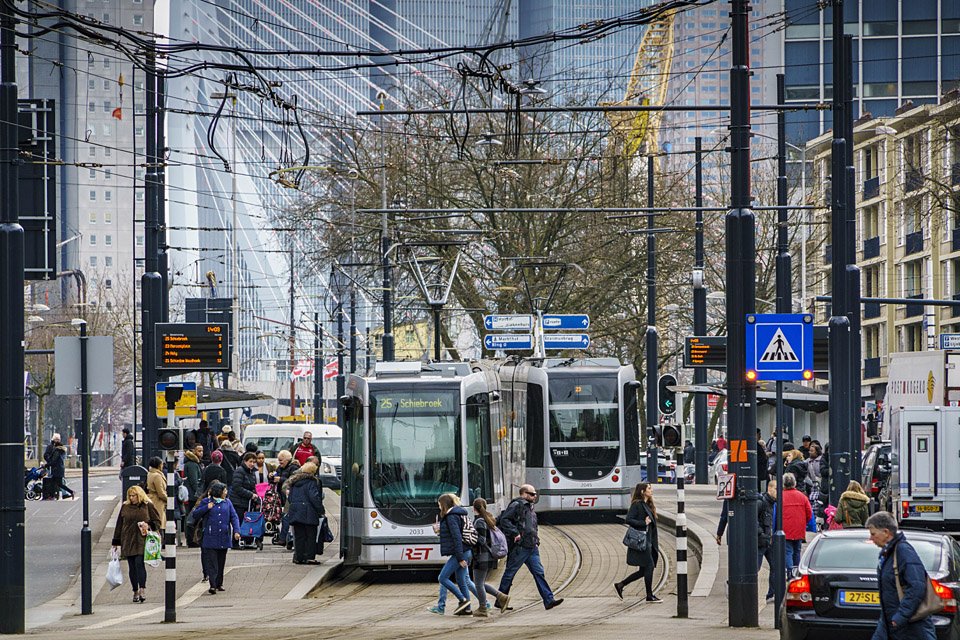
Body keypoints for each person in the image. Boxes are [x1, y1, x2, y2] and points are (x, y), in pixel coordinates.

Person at [867, 511, 936, 640]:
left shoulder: (903, 551)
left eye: (873, 534)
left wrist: (901, 616)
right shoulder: (888, 553)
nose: (871, 539)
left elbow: (916, 586)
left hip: (910, 625)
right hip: (890, 622)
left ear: (886, 532)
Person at [498, 485, 563, 610]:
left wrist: (536, 539)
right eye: (532, 494)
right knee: (509, 573)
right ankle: (500, 600)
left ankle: (549, 600)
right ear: (524, 494)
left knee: (539, 573)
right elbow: (505, 520)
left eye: (535, 494)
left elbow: (532, 526)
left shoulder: (529, 506)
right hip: (520, 547)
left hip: (532, 547)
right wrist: (515, 533)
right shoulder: (517, 505)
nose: (535, 496)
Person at [111, 485, 162, 603]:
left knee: (139, 563)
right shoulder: (125, 507)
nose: (132, 498)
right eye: (130, 495)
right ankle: (135, 590)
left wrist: (148, 525)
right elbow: (119, 524)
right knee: (132, 566)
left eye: (134, 495)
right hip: (128, 539)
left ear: (139, 495)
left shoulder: (147, 506)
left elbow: (157, 521)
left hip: (141, 539)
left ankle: (142, 589)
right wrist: (115, 542)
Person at [614, 482, 661, 603]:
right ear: (642, 491)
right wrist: (643, 523)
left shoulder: (647, 504)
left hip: (648, 541)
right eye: (649, 489)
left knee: (643, 570)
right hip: (642, 541)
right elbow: (629, 519)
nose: (651, 491)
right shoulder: (637, 505)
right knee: (649, 566)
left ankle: (620, 585)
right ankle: (649, 595)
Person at [195, 482, 241, 595]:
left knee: (221, 561)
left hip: (224, 536)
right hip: (210, 536)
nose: (226, 493)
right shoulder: (206, 501)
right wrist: (206, 507)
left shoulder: (227, 502)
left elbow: (234, 517)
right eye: (224, 491)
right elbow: (195, 514)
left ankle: (219, 583)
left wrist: (236, 531)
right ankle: (213, 585)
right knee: (212, 562)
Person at [469, 498, 509, 617]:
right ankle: (501, 597)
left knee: (478, 584)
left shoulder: (480, 521)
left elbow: (481, 540)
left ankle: (483, 608)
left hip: (482, 556)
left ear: (474, 508)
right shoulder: (488, 519)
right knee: (480, 582)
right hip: (487, 556)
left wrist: (469, 538)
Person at [436, 493, 473, 615]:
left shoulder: (451, 517)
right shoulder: (457, 514)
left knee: (442, 577)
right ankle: (467, 609)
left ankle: (462, 599)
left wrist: (460, 557)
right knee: (461, 580)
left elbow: (457, 537)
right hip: (465, 551)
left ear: (444, 504)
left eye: (440, 505)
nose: (439, 507)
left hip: (461, 552)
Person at [286, 462, 324, 564]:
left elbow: (290, 498)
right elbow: (314, 497)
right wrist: (320, 509)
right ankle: (310, 557)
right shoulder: (312, 482)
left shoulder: (294, 482)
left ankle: (299, 557)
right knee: (310, 536)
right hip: (309, 512)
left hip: (295, 511)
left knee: (299, 536)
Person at [782, 473, 812, 574]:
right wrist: (804, 522)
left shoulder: (781, 497)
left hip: (785, 528)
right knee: (797, 550)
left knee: (788, 550)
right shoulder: (802, 496)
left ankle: (790, 572)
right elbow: (809, 513)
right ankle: (796, 572)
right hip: (799, 528)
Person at [271, 450, 300, 545]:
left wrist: (281, 479)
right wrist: (272, 476)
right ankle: (284, 537)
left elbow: (293, 480)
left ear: (287, 460)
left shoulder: (294, 468)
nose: (280, 463)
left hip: (289, 495)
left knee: (286, 516)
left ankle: (283, 538)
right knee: (285, 516)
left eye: (281, 461)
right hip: (282, 495)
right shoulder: (280, 468)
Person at [230, 452, 259, 527]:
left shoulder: (251, 472)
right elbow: (237, 487)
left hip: (246, 503)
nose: (252, 464)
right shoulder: (240, 471)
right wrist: (251, 495)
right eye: (250, 461)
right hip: (238, 503)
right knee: (238, 525)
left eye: (254, 462)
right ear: (245, 461)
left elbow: (252, 487)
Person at [43, 433, 74, 499]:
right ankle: (52, 495)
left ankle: (69, 492)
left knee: (58, 483)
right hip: (57, 468)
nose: (58, 440)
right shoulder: (58, 449)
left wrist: (47, 464)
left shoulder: (57, 451)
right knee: (54, 482)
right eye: (57, 439)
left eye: (59, 439)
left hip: (56, 469)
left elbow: (54, 461)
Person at [146, 456, 168, 532]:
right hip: (157, 501)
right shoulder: (157, 476)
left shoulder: (150, 473)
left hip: (152, 499)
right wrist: (169, 500)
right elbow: (160, 492)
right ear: (159, 465)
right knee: (159, 523)